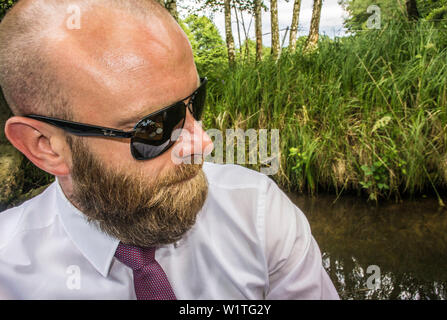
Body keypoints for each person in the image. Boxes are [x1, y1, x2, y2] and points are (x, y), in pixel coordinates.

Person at [0, 0, 339, 299]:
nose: (202, 144)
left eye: (196, 101)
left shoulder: (259, 214)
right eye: (155, 127)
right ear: (44, 147)